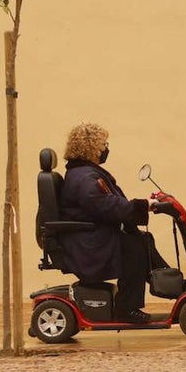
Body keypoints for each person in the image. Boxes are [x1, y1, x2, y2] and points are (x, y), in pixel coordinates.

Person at [58, 122, 166, 323]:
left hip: (91, 235)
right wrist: (143, 205)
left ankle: (167, 281)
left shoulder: (82, 173)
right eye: (103, 144)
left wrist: (140, 205)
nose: (106, 149)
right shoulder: (84, 177)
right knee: (133, 247)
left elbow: (110, 203)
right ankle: (127, 308)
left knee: (143, 239)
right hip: (88, 241)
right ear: (91, 147)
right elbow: (105, 205)